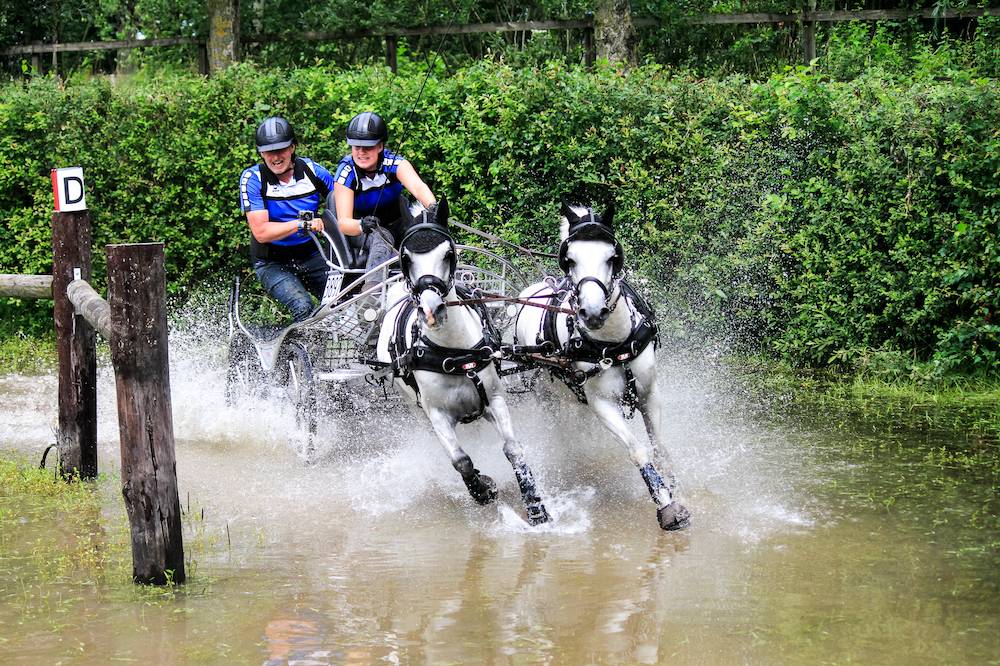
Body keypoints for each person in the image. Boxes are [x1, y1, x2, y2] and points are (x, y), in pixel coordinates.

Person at [239, 116, 336, 322]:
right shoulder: (253, 179)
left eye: (281, 149)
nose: (275, 157)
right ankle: (299, 344)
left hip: (311, 256)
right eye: (269, 151)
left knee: (341, 303)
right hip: (272, 262)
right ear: (261, 153)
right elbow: (261, 232)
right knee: (303, 307)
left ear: (292, 147)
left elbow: (343, 203)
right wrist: (301, 224)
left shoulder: (314, 171)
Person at [331, 111, 436, 283]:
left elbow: (418, 187)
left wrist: (432, 206)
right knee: (382, 237)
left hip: (398, 222)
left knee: (422, 234)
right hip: (363, 230)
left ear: (380, 146)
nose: (361, 153)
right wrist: (362, 224)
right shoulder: (346, 172)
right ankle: (371, 292)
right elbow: (344, 223)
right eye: (356, 147)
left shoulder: (395, 163)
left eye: (368, 147)